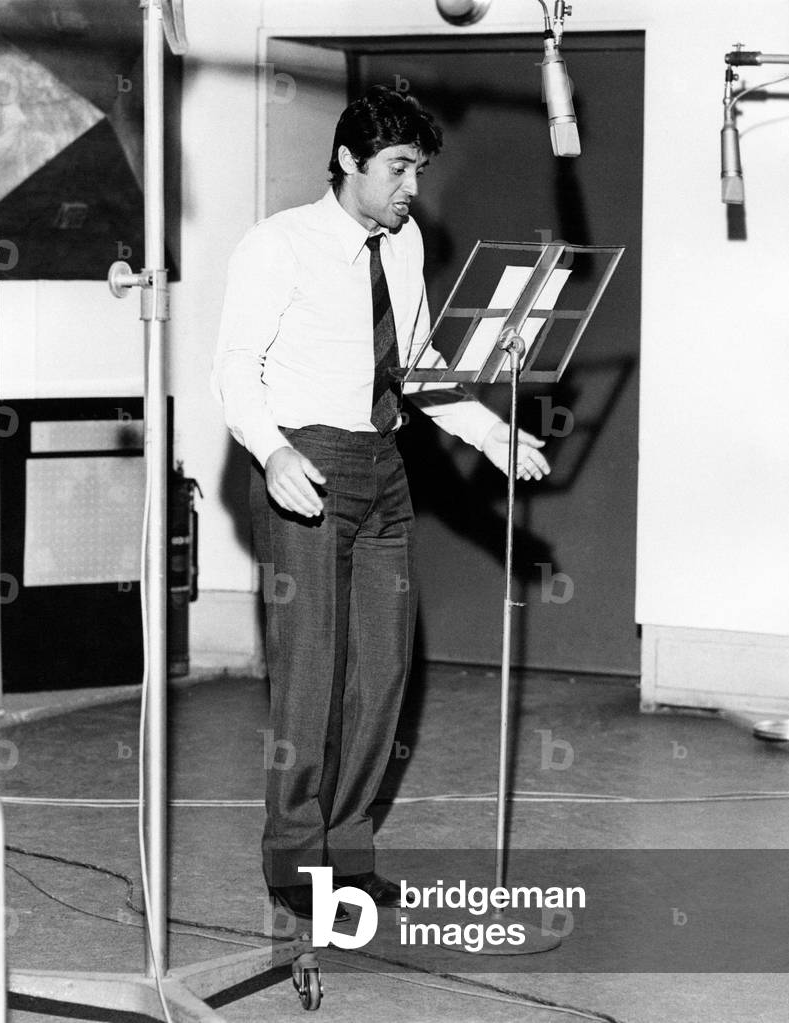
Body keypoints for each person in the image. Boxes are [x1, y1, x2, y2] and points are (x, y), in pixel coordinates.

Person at [212, 85, 550, 921]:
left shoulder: (400, 245)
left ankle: (349, 848)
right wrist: (274, 449)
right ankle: (293, 855)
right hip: (310, 462)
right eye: (398, 168)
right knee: (310, 673)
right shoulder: (276, 245)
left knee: (384, 667)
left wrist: (490, 434)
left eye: (419, 170)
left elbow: (421, 364)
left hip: (384, 465)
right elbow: (234, 368)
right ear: (347, 161)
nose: (411, 188)